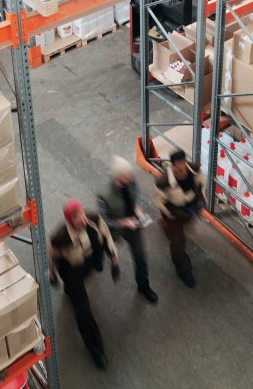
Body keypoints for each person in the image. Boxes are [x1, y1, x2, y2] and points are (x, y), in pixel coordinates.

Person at [48, 199, 120, 370]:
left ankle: (70, 290)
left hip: (89, 261)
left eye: (81, 214)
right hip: (72, 271)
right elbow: (51, 257)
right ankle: (95, 349)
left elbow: (106, 235)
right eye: (76, 218)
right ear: (69, 221)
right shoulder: (60, 238)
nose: (82, 220)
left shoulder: (93, 219)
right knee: (83, 312)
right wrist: (52, 276)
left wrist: (114, 259)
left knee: (90, 266)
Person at [97, 156, 158, 304]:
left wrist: (137, 206)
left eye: (130, 176)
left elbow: (136, 193)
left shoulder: (131, 180)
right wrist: (122, 223)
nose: (131, 179)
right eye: (127, 177)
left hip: (132, 225)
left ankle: (143, 285)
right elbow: (104, 221)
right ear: (118, 178)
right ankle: (97, 260)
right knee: (103, 246)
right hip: (114, 229)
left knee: (140, 256)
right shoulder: (104, 195)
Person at [153, 150, 206, 289]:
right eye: (178, 165)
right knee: (178, 243)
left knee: (186, 225)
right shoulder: (164, 182)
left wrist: (201, 196)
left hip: (190, 208)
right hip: (174, 212)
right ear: (172, 166)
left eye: (183, 163)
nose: (182, 168)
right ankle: (184, 272)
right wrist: (170, 215)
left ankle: (167, 229)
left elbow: (200, 180)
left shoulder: (192, 169)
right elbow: (159, 201)